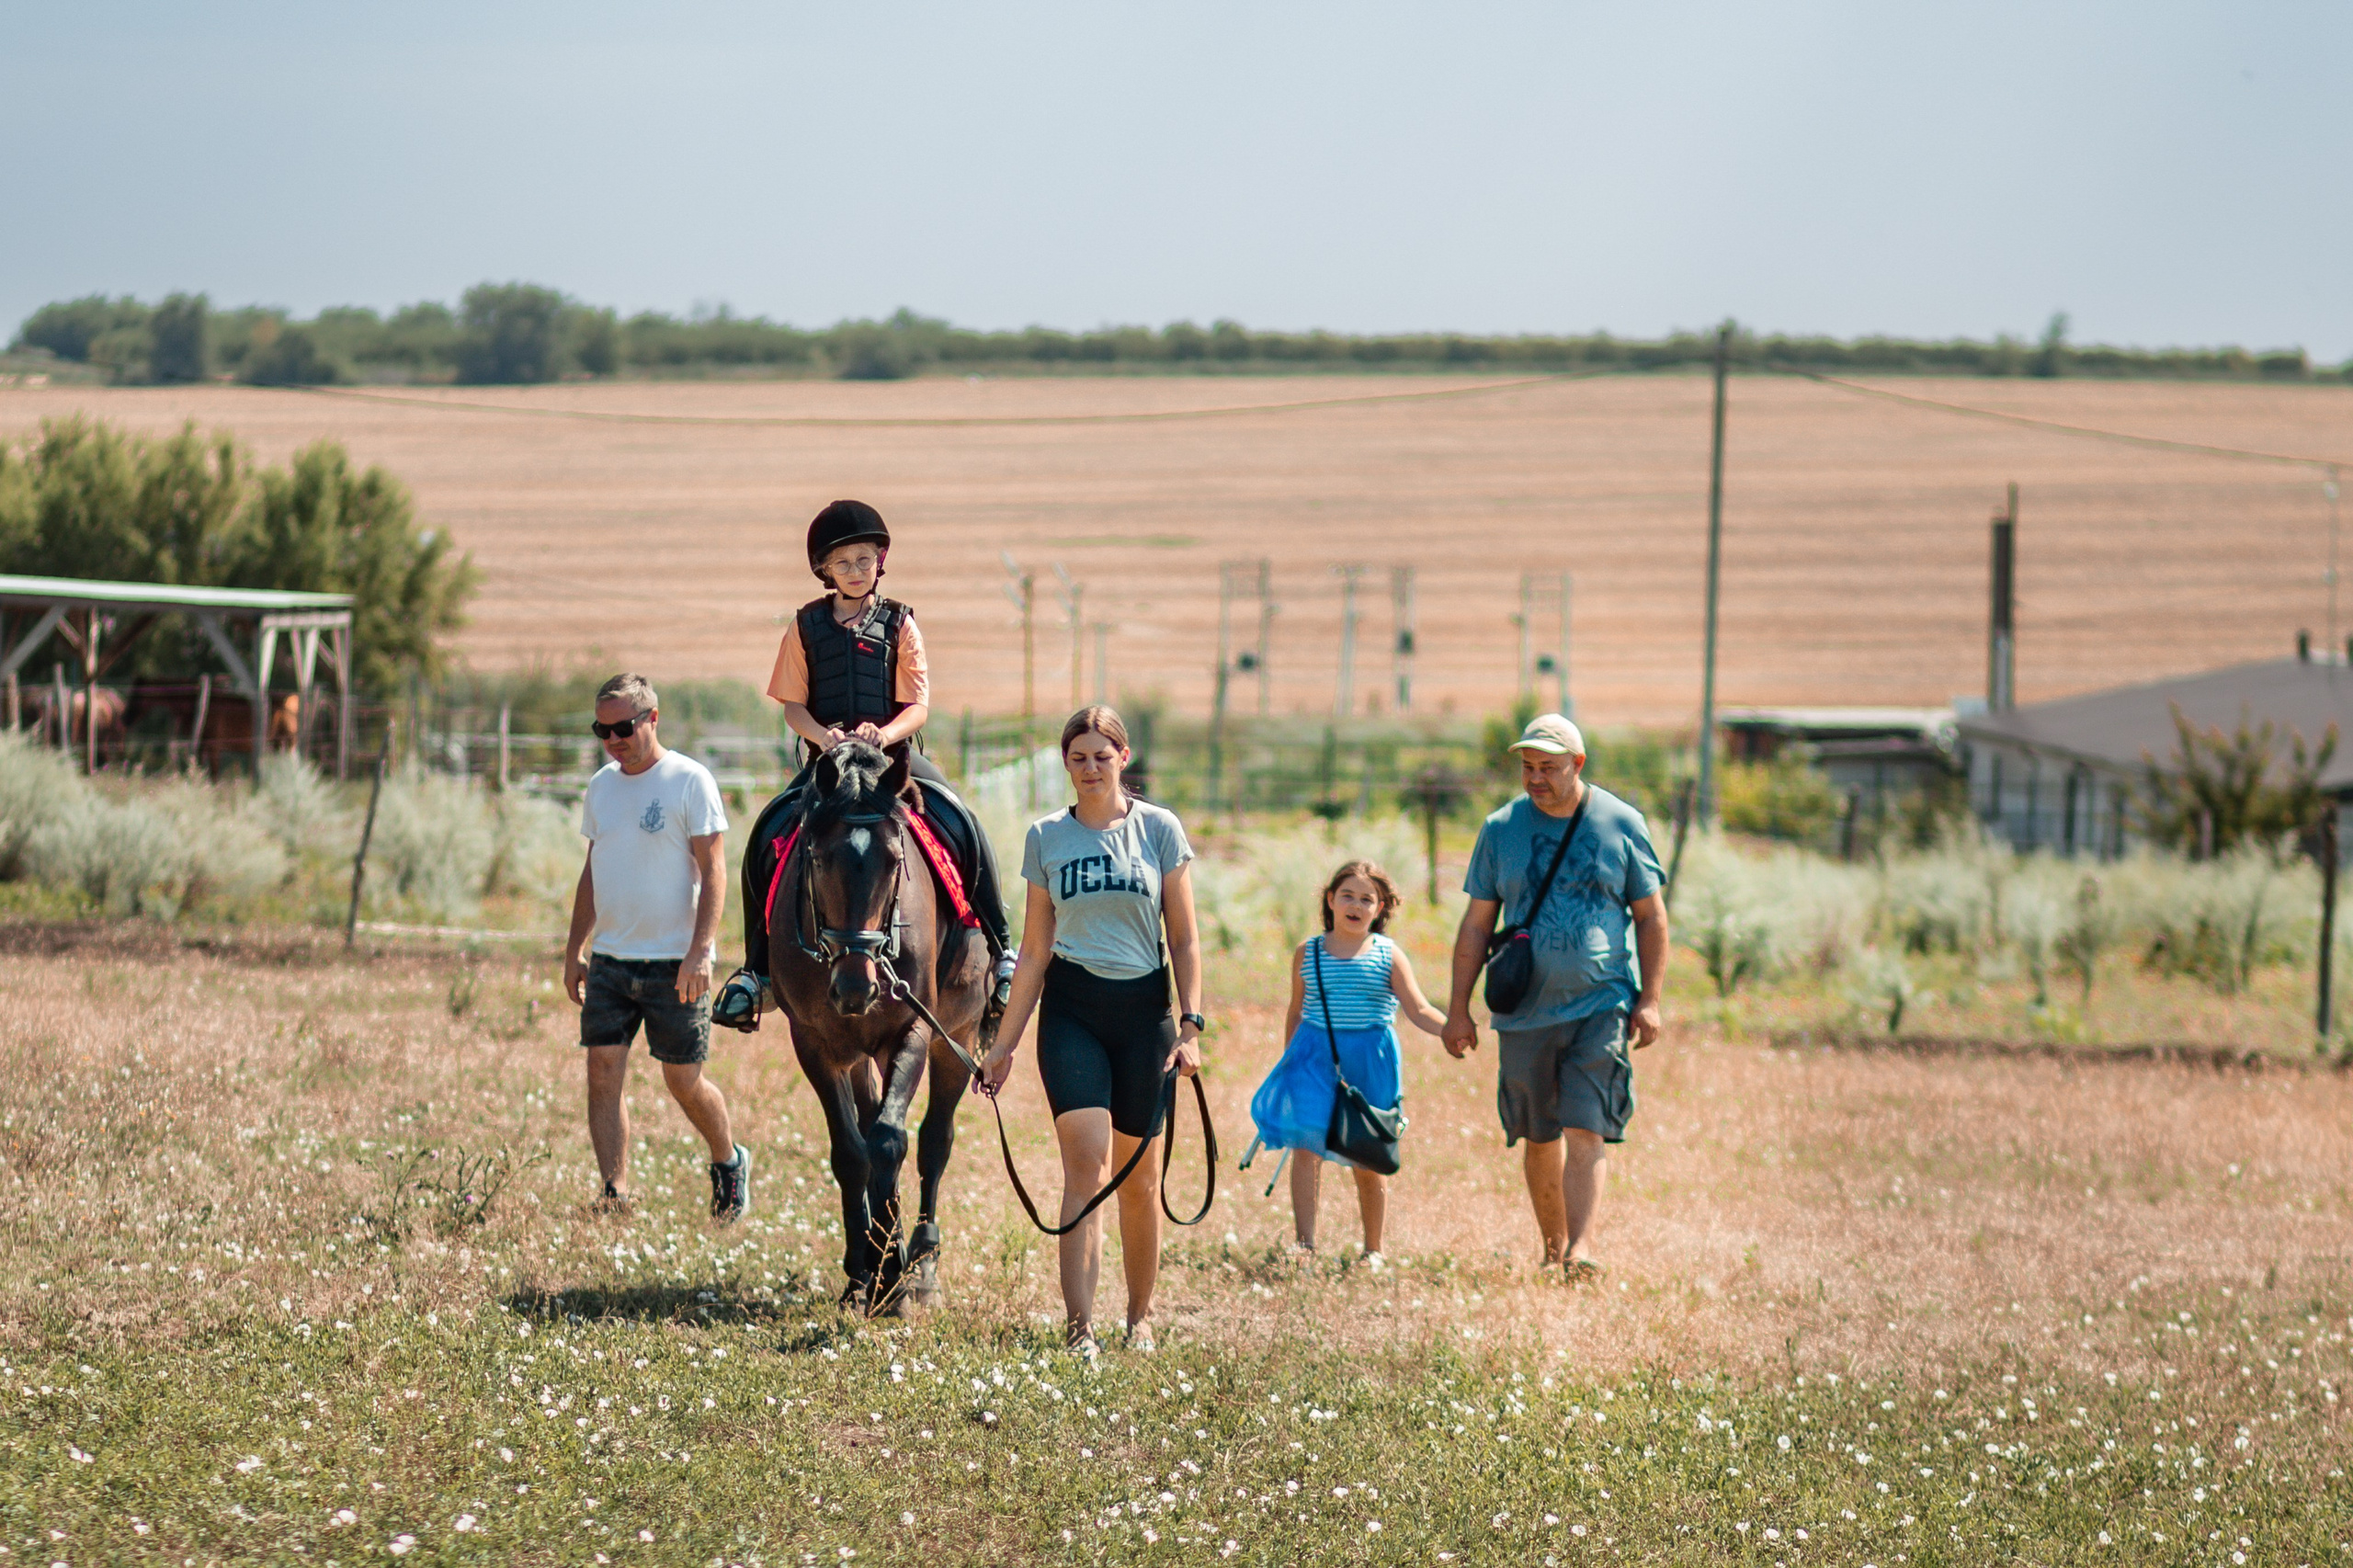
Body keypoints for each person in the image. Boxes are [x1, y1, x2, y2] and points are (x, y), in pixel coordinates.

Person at [712, 499, 1017, 1031]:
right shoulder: (804, 627)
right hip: (830, 765)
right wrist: (823, 737)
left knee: (961, 820)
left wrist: (887, 732)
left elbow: (918, 705)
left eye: (864, 559)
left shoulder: (902, 623)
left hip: (893, 762)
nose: (855, 570)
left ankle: (1002, 948)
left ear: (881, 560)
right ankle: (755, 971)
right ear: (825, 571)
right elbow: (792, 706)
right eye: (842, 563)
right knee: (769, 830)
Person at [979, 705, 1205, 1358]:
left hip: (1145, 1018)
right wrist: (1003, 1046)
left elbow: (1185, 939)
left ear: (1123, 759)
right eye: (1077, 757)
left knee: (1138, 1179)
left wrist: (1190, 1025)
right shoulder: (1046, 837)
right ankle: (1080, 1329)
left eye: (1101, 756)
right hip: (1072, 1012)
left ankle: (1140, 1317)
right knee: (1086, 1167)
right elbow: (1034, 948)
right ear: (1065, 763)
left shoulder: (1160, 829)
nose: (1089, 768)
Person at [1441, 713, 1667, 1282]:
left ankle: (1581, 1250)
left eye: (1549, 767)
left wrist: (1651, 999)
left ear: (1579, 765)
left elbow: (1651, 917)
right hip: (1523, 1010)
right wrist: (1457, 1009)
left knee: (1585, 1125)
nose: (1536, 778)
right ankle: (1552, 1249)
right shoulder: (1501, 829)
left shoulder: (1621, 823)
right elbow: (1475, 927)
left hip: (1602, 1001)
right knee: (1539, 1134)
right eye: (1528, 767)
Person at [563, 673, 753, 1222]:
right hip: (611, 960)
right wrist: (576, 947)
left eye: (623, 727)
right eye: (603, 729)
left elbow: (715, 871)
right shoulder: (602, 785)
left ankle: (728, 1160)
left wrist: (701, 951)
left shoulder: (689, 781)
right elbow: (592, 871)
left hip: (676, 965)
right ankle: (614, 1192)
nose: (613, 739)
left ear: (652, 718)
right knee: (602, 1070)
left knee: (683, 1081)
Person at [1246, 859, 1448, 1264]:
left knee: (1368, 1155)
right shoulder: (1309, 951)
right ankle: (1305, 1245)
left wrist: (1453, 1029)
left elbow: (1418, 1008)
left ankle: (1373, 1249)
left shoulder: (1389, 955)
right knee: (1306, 1148)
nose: (1356, 905)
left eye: (1367, 899)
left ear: (1381, 907)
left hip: (1371, 1061)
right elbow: (1295, 1010)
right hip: (1313, 1059)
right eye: (1348, 896)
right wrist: (1288, 1060)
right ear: (1330, 900)